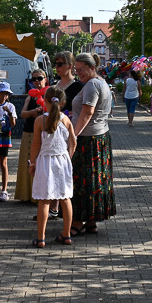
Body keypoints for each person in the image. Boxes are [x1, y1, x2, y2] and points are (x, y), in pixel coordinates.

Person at [70, 53, 116, 235]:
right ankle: (91, 221)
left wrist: (74, 135)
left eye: (81, 69)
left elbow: (87, 112)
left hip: (87, 140)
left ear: (92, 67)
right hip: (99, 138)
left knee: (82, 180)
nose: (79, 73)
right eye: (76, 70)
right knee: (95, 179)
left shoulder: (92, 85)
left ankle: (77, 222)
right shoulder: (101, 83)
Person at [28, 86, 76, 247]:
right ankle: (66, 234)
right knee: (65, 198)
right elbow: (73, 142)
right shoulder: (66, 120)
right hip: (62, 161)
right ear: (62, 102)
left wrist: (32, 163)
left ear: (45, 101)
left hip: (45, 162)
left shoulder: (40, 121)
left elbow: (36, 145)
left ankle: (40, 238)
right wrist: (68, 157)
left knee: (44, 200)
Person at [16, 69, 49, 204]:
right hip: (28, 132)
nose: (36, 81)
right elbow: (22, 114)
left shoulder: (49, 95)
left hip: (43, 134)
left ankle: (40, 196)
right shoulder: (30, 97)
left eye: (39, 78)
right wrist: (34, 111)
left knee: (41, 165)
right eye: (33, 79)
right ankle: (26, 195)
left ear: (45, 79)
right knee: (27, 164)